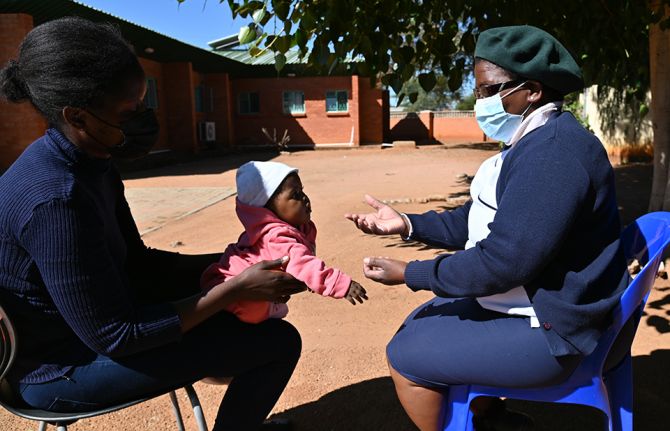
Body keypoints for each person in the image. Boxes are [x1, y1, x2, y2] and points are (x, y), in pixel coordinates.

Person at [0, 17, 307, 431]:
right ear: (78, 116)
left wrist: (234, 261)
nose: (144, 118)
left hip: (99, 323)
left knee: (230, 307)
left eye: (144, 103)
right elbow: (116, 335)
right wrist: (231, 289)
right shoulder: (56, 198)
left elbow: (138, 264)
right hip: (60, 368)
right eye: (130, 111)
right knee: (277, 342)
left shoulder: (93, 162)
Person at [346, 25, 633, 431]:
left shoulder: (553, 155)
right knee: (428, 317)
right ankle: (492, 417)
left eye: (488, 90)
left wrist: (411, 273)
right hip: (555, 308)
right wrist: (408, 223)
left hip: (559, 334)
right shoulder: (535, 140)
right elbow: (475, 217)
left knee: (405, 353)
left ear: (531, 90)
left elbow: (502, 263)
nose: (479, 102)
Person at [201, 161, 368, 324]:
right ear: (267, 208)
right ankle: (263, 312)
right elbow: (303, 264)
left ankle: (266, 310)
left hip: (233, 293)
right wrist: (340, 284)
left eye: (302, 191)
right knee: (254, 309)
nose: (305, 199)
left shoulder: (292, 228)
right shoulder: (277, 236)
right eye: (295, 195)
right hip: (236, 295)